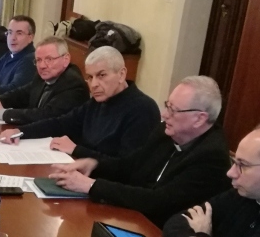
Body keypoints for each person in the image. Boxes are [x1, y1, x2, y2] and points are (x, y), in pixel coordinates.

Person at [47, 76, 232, 227]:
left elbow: (159, 202)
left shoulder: (212, 158)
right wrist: (94, 164)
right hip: (133, 219)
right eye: (167, 105)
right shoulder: (165, 132)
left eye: (173, 110)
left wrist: (91, 185)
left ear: (199, 119)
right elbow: (130, 165)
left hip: (162, 234)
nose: (164, 114)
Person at [0, 46, 160, 160]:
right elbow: (61, 123)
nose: (94, 84)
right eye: (89, 77)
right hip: (81, 175)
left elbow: (126, 167)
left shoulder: (142, 109)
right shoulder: (97, 102)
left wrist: (77, 150)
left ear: (122, 74)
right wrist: (21, 131)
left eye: (101, 75)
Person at [0, 36, 88, 126]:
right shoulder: (44, 75)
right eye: (38, 60)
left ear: (66, 59)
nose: (42, 66)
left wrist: (2, 113)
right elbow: (22, 93)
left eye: (49, 59)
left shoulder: (73, 83)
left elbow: (45, 115)